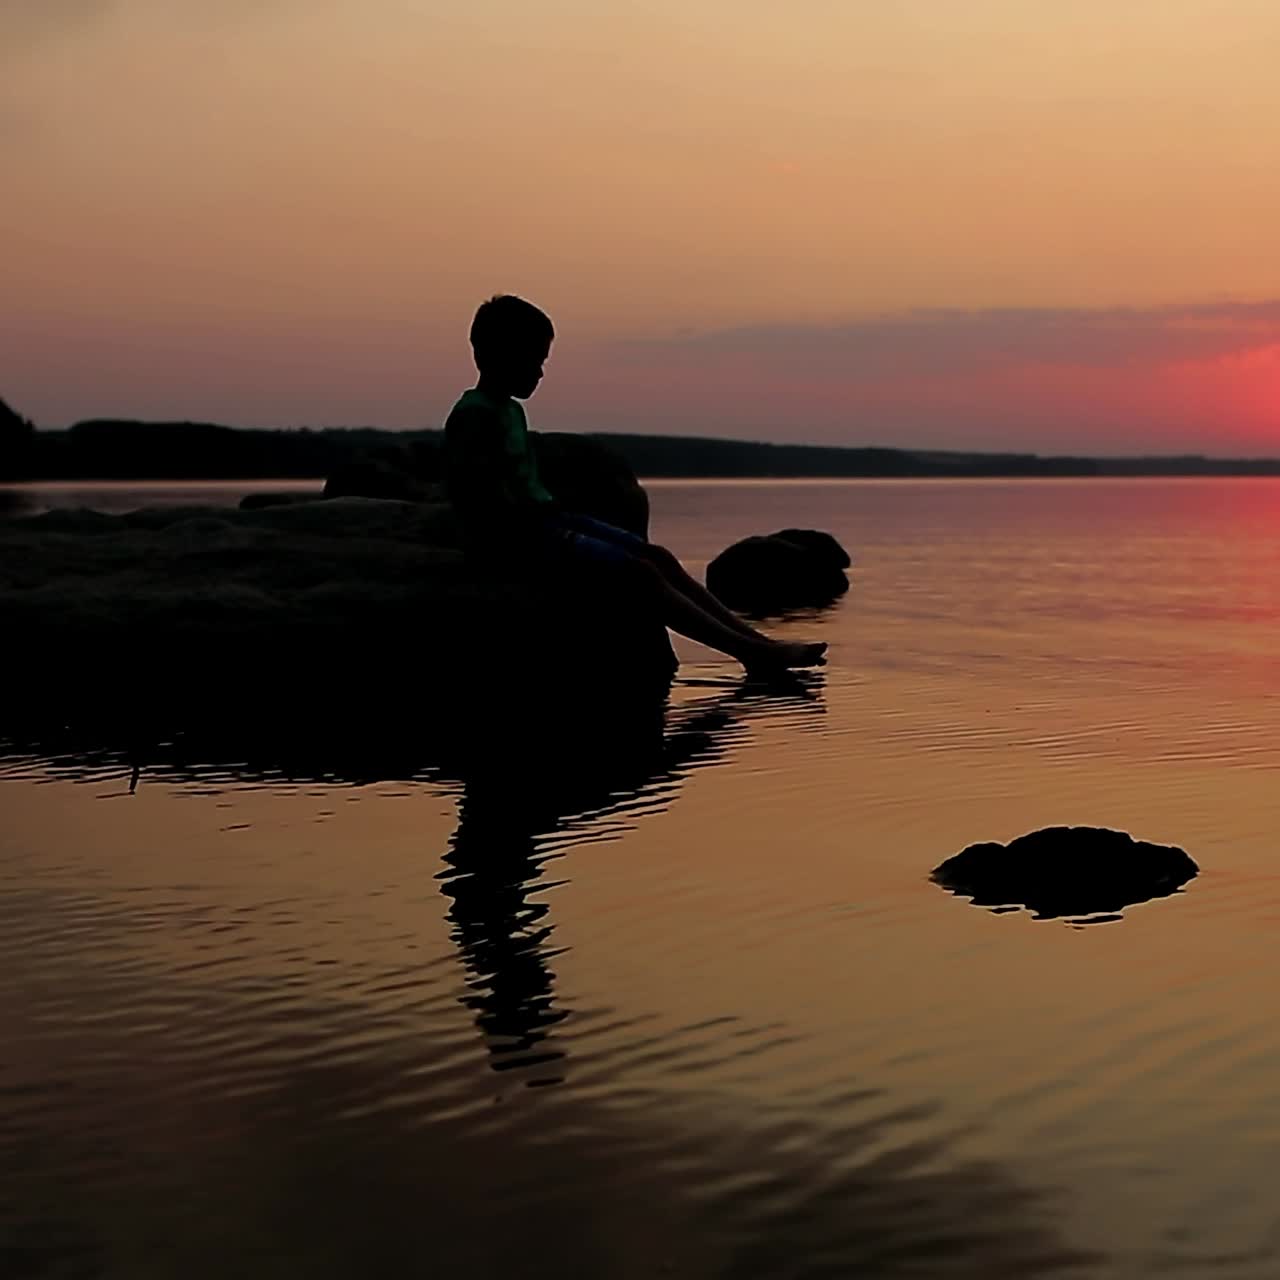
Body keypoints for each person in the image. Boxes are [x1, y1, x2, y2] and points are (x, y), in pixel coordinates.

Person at [443, 295, 826, 671]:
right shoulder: (473, 415)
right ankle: (747, 652)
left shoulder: (511, 410)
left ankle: (759, 642)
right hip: (514, 540)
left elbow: (524, 481)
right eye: (534, 360)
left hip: (546, 523)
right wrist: (536, 524)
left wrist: (554, 512)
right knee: (639, 574)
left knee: (657, 556)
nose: (540, 372)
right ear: (493, 354)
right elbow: (481, 496)